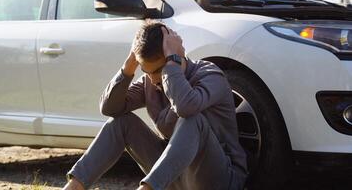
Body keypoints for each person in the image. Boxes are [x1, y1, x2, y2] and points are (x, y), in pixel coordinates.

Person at [62, 21, 248, 190]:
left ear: (176, 55)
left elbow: (185, 107)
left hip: (220, 179)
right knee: (121, 122)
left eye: (159, 70)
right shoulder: (149, 82)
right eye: (146, 71)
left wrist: (172, 64)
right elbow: (109, 108)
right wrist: (129, 66)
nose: (153, 78)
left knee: (193, 120)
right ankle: (75, 186)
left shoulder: (209, 75)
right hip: (174, 179)